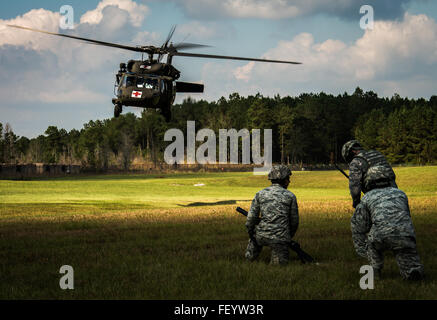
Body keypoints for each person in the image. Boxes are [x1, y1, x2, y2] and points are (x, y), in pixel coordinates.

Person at [350, 166, 425, 280]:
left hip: (381, 237)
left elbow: (360, 225)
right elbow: (406, 216)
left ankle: (375, 271)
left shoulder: (367, 198)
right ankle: (412, 271)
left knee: (371, 245)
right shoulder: (401, 194)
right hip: (405, 234)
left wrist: (361, 248)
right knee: (406, 251)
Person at [245, 165, 299, 265]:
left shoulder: (260, 194)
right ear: (283, 179)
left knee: (253, 239)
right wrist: (287, 237)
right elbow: (294, 222)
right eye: (288, 178)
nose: (289, 181)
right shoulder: (290, 196)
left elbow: (251, 219)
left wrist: (251, 233)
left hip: (260, 235)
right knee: (278, 266)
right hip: (280, 238)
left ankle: (249, 258)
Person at [341, 140, 397, 208]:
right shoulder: (378, 154)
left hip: (373, 197)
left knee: (357, 218)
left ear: (352, 152)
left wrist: (356, 204)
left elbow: (355, 188)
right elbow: (391, 175)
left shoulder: (355, 162)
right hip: (394, 192)